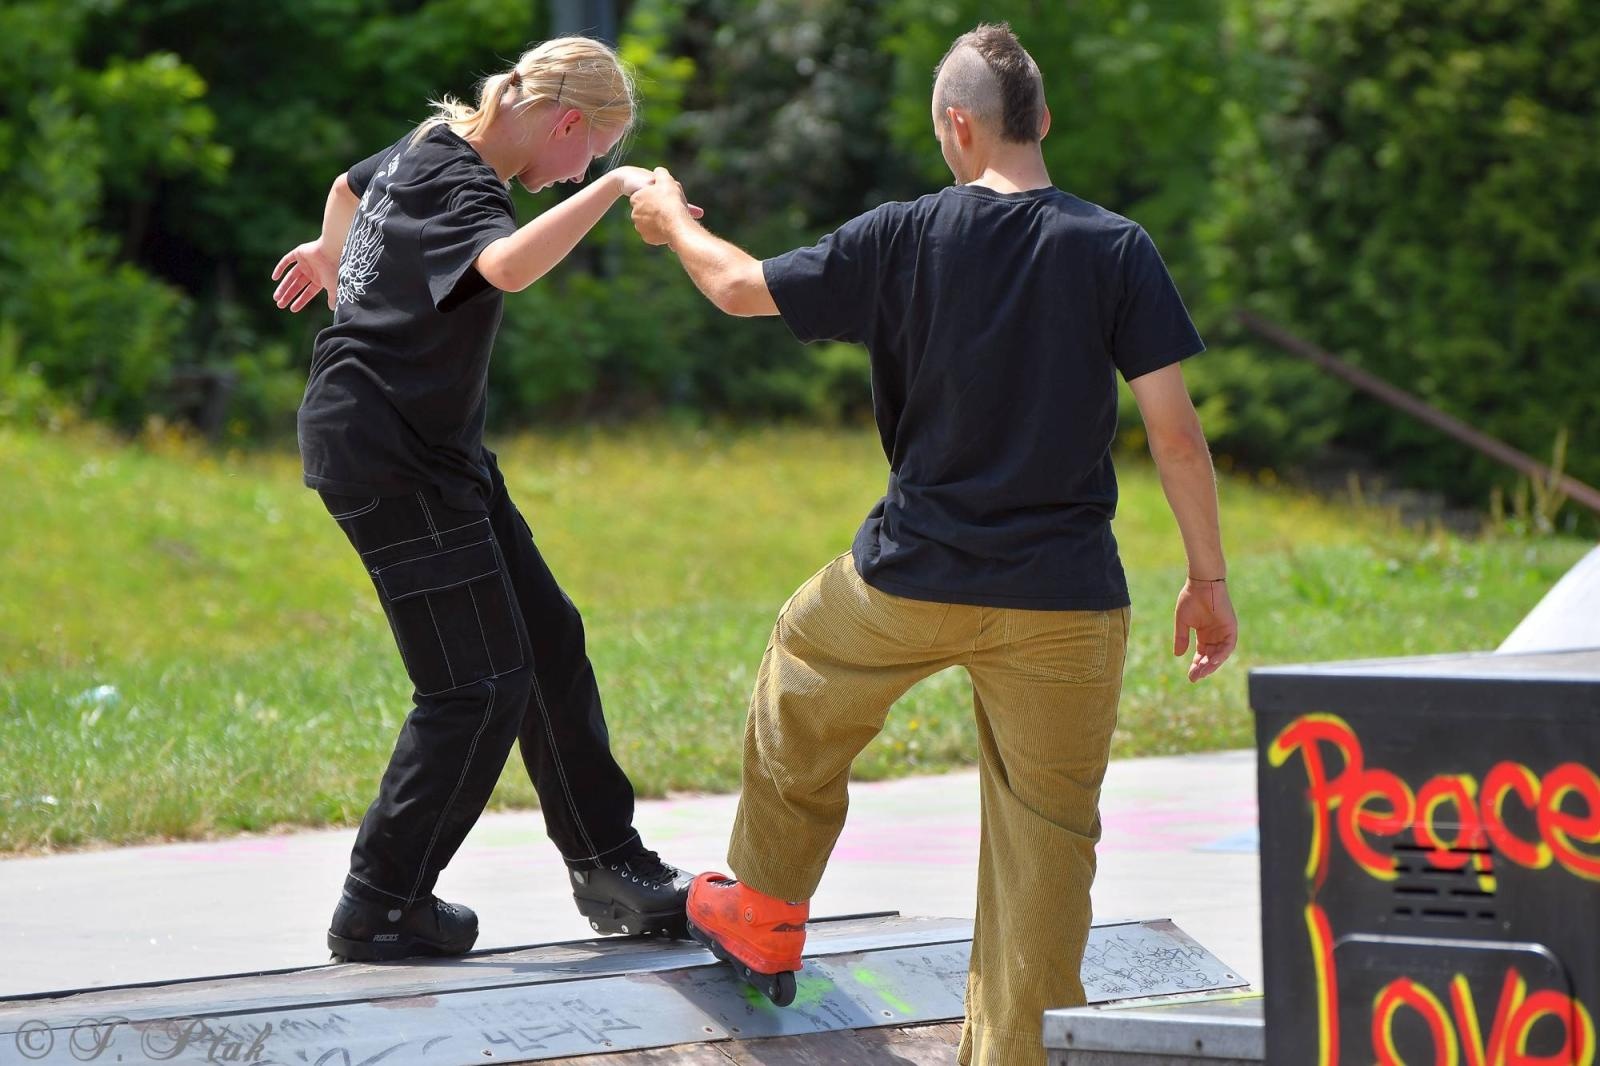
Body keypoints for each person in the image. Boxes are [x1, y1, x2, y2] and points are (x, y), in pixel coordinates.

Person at [628, 21, 1239, 1065]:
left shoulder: (905, 232)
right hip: (1067, 597)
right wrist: (1206, 579)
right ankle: (1018, 1052)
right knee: (1045, 851)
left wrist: (671, 220)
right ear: (1041, 119)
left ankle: (767, 903)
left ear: (958, 127)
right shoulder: (1114, 245)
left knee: (805, 662)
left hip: (910, 575)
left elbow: (735, 288)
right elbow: (1175, 436)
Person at [270, 37, 697, 963]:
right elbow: (500, 266)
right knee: (476, 684)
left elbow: (348, 191)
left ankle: (608, 863)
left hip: (428, 450)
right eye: (592, 153)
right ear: (568, 121)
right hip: (392, 458)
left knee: (546, 640)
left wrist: (334, 257)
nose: (581, 170)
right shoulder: (464, 180)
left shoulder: (428, 146)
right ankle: (380, 904)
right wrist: (618, 193)